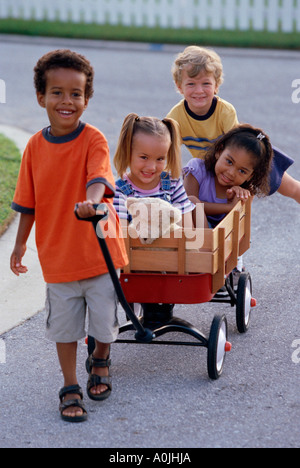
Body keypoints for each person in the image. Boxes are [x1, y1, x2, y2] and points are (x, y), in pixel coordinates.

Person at [10, 49, 128, 423]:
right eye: (57, 92)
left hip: (99, 251)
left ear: (86, 99)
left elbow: (98, 179)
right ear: (41, 97)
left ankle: (101, 357)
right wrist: (18, 245)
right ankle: (70, 383)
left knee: (104, 321)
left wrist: (90, 204)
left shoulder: (93, 139)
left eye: (75, 94)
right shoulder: (33, 147)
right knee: (64, 327)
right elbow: (26, 202)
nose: (67, 101)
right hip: (58, 256)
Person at [167, 45, 300, 204]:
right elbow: (167, 153)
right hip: (216, 168)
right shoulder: (175, 117)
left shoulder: (224, 111)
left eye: (206, 84)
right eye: (191, 84)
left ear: (216, 85)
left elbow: (239, 154)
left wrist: (242, 185)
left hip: (245, 157)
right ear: (179, 86)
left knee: (292, 189)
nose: (199, 90)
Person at [183, 124, 274, 228]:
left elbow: (233, 230)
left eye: (242, 171)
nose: (231, 173)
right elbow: (187, 206)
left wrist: (234, 201)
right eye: (229, 162)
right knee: (192, 201)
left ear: (250, 176)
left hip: (220, 239)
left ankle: (208, 242)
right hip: (188, 230)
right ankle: (207, 242)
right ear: (219, 152)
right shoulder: (197, 169)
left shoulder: (244, 192)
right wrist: (228, 207)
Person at [113, 113, 196, 226]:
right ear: (127, 152)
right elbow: (123, 236)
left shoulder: (173, 185)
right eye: (144, 157)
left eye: (160, 159)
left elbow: (186, 230)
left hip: (174, 243)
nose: (152, 167)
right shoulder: (120, 191)